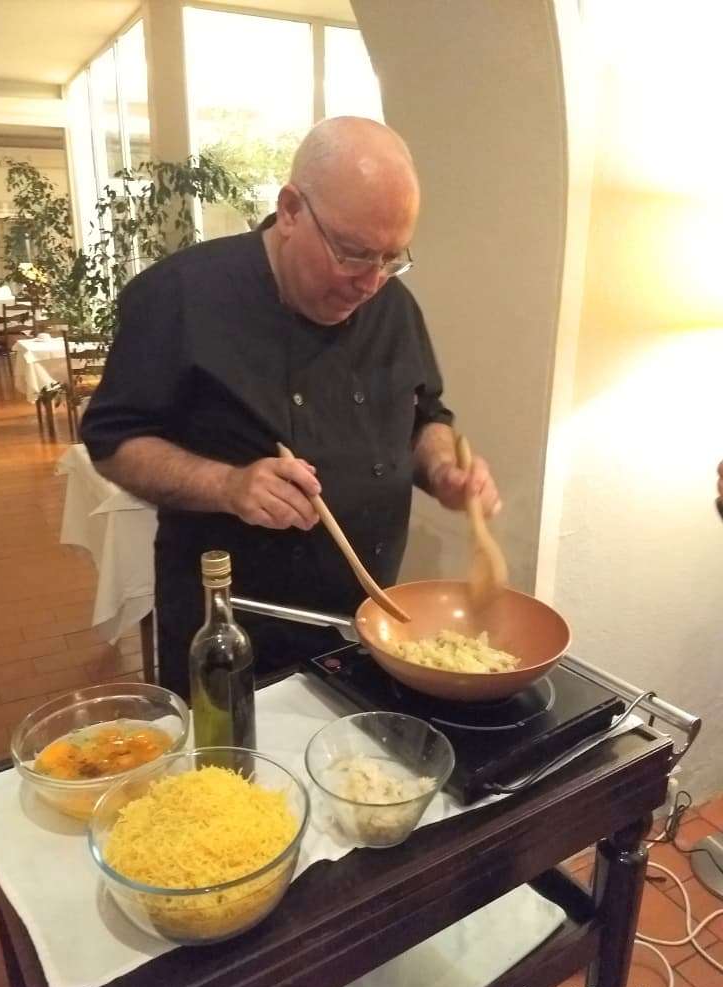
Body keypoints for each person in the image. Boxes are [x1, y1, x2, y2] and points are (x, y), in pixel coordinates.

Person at [81, 116, 499, 698]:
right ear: (291, 209)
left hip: (367, 625)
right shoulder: (180, 296)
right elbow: (114, 442)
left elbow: (425, 415)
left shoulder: (393, 306)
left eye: (392, 258)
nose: (370, 283)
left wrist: (442, 471)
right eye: (353, 254)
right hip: (231, 632)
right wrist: (228, 485)